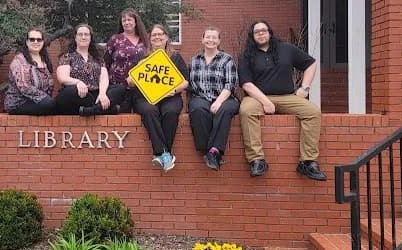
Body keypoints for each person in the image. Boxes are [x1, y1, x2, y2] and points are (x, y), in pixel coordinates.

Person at [237, 20, 326, 181]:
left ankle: (307, 162)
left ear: (270, 32)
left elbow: (311, 64)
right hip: (257, 97)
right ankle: (257, 160)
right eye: (257, 32)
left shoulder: (286, 49)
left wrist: (304, 88)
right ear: (252, 36)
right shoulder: (247, 55)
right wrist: (265, 102)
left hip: (287, 96)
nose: (261, 33)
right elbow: (246, 84)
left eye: (264, 30)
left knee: (312, 112)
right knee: (246, 110)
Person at [129, 24, 188, 173]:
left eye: (160, 34)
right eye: (154, 35)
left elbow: (185, 82)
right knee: (149, 111)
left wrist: (173, 89)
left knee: (171, 112)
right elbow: (129, 81)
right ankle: (164, 153)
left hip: (170, 97)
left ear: (166, 37)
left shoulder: (175, 57)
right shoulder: (142, 56)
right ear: (150, 39)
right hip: (145, 97)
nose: (157, 37)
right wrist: (140, 68)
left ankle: (160, 154)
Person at [188, 27, 239, 170]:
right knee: (198, 109)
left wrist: (218, 101)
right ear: (202, 40)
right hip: (200, 97)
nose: (210, 40)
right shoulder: (194, 60)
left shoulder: (227, 59)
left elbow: (230, 84)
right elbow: (190, 84)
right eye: (208, 37)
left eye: (214, 37)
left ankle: (214, 151)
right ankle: (207, 150)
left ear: (219, 41)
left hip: (225, 97)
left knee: (224, 110)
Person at [55, 24, 122, 116]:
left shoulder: (98, 58)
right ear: (75, 38)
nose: (83, 37)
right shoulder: (67, 56)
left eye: (86, 34)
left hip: (95, 93)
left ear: (90, 38)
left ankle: (91, 110)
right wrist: (78, 82)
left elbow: (104, 78)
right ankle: (105, 109)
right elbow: (62, 78)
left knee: (120, 88)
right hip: (77, 95)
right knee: (71, 91)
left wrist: (102, 94)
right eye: (80, 34)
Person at [104, 8, 150, 112]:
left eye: (129, 19)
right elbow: (105, 62)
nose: (126, 22)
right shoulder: (115, 39)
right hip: (119, 86)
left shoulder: (145, 40)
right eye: (124, 20)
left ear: (135, 22)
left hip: (140, 88)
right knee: (122, 116)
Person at [4, 28, 57, 115]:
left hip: (40, 101)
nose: (36, 42)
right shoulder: (20, 60)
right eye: (32, 39)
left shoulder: (45, 60)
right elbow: (25, 87)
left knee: (58, 104)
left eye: (39, 39)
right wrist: (47, 99)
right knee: (51, 105)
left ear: (43, 42)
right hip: (19, 103)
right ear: (27, 42)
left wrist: (48, 100)